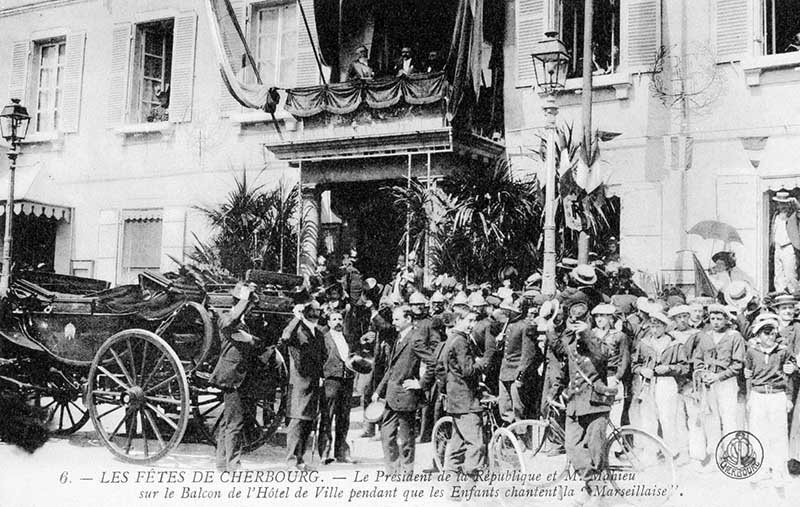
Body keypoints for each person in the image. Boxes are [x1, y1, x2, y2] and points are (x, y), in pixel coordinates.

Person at [547, 294, 618, 505]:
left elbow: (603, 355)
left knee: (596, 450)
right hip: (575, 403)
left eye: (581, 319)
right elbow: (560, 351)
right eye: (572, 319)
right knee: (573, 448)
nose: (575, 323)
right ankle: (594, 486)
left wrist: (586, 333)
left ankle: (593, 492)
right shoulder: (569, 337)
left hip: (595, 402)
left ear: (589, 319)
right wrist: (551, 325)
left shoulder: (600, 337)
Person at [373, 306, 435, 473]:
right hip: (391, 396)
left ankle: (407, 471)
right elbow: (391, 369)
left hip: (407, 395)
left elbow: (433, 362)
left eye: (397, 319)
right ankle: (393, 469)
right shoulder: (399, 338)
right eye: (393, 319)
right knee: (387, 435)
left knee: (406, 437)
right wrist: (378, 390)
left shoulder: (415, 339)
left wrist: (421, 384)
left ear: (408, 319)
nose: (393, 323)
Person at [209, 282, 259, 472]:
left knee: (227, 422)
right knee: (235, 423)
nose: (252, 306)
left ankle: (222, 463)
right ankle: (234, 465)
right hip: (232, 377)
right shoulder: (225, 317)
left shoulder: (243, 322)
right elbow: (230, 323)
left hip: (241, 376)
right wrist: (245, 299)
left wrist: (251, 339)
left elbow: (252, 342)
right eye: (249, 303)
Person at [692, 304, 746, 466]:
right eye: (713, 318)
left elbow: (738, 364)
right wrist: (703, 373)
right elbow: (698, 359)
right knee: (710, 418)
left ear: (726, 320)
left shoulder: (734, 336)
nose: (716, 322)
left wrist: (719, 376)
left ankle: (732, 454)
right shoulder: (705, 336)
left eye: (719, 319)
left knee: (728, 417)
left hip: (726, 382)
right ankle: (714, 451)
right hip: (708, 382)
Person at [631, 310, 688, 460]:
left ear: (665, 327)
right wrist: (642, 370)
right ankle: (651, 451)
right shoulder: (644, 343)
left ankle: (671, 450)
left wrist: (669, 368)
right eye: (652, 326)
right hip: (648, 383)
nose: (654, 330)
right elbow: (634, 364)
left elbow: (684, 367)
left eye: (658, 326)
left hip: (666, 382)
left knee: (667, 417)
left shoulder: (674, 344)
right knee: (648, 418)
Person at [745, 318, 795, 484]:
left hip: (777, 395)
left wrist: (788, 398)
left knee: (778, 433)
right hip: (758, 395)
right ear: (758, 335)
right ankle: (762, 468)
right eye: (766, 332)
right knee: (759, 432)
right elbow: (748, 376)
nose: (770, 336)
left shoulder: (783, 351)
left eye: (773, 332)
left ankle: (779, 470)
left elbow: (789, 377)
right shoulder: (752, 352)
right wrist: (748, 398)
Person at [280, 301, 328, 471]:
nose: (317, 313)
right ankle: (291, 461)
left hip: (314, 382)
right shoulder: (297, 330)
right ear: (306, 312)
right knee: (297, 421)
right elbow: (285, 337)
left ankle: (300, 460)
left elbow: (323, 356)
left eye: (319, 310)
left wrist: (321, 376)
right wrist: (296, 317)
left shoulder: (319, 333)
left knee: (307, 422)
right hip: (300, 382)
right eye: (314, 310)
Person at [441, 306, 485, 478]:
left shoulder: (452, 338)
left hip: (455, 398)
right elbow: (468, 371)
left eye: (474, 321)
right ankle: (470, 486)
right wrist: (482, 362)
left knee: (457, 444)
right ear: (458, 320)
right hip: (466, 400)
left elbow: (442, 368)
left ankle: (452, 487)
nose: (472, 325)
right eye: (469, 321)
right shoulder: (460, 341)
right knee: (476, 444)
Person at [318, 311, 356, 464]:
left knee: (344, 417)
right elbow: (319, 359)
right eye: (334, 319)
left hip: (347, 381)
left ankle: (341, 452)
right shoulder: (323, 339)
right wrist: (320, 377)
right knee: (328, 416)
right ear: (328, 322)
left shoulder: (348, 339)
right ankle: (325, 452)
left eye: (340, 319)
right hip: (331, 381)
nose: (338, 322)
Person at [591, 303, 630, 428]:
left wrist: (617, 377)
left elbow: (624, 359)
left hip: (611, 377)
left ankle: (614, 447)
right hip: (594, 378)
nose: (599, 319)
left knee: (614, 414)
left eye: (603, 316)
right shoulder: (591, 335)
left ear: (610, 318)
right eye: (597, 316)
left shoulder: (619, 336)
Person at [497, 299, 529, 425]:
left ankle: (521, 438)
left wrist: (520, 376)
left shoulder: (524, 326)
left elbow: (527, 355)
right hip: (505, 371)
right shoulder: (508, 325)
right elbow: (504, 350)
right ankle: (509, 436)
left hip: (516, 372)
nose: (507, 314)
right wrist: (499, 342)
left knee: (518, 408)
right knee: (504, 405)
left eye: (509, 312)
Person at [771, 191, 800, 293]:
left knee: (790, 274)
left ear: (788, 204)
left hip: (788, 247)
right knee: (778, 275)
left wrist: (796, 204)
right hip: (778, 247)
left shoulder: (793, 215)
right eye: (779, 203)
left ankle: (795, 295)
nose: (781, 206)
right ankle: (781, 295)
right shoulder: (776, 216)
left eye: (783, 203)